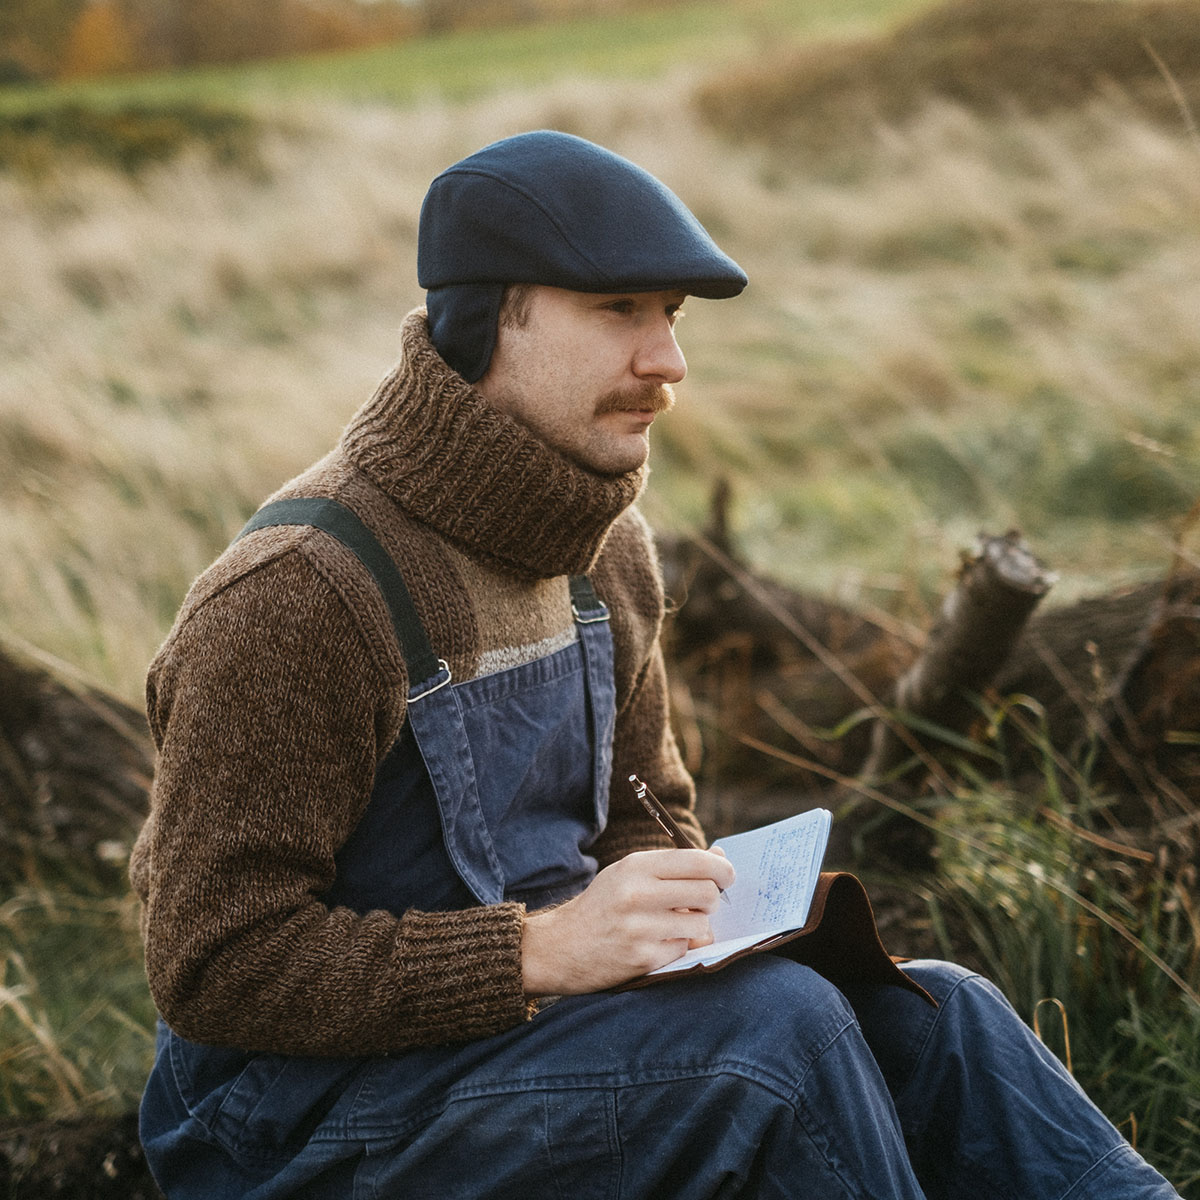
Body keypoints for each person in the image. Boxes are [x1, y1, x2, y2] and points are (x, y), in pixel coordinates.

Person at [131, 130, 1180, 1199]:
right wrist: (540, 951)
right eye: (619, 311)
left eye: (670, 318)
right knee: (776, 1046)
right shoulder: (300, 597)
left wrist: (703, 926)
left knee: (943, 1013)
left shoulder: (605, 551)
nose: (668, 364)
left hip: (545, 1038)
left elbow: (649, 816)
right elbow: (215, 965)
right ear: (488, 316)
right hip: (296, 1121)